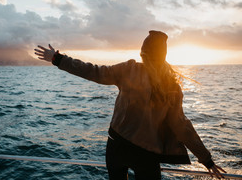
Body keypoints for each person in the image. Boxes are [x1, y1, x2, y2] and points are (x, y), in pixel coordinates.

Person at [34, 30, 226, 180]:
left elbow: (93, 71)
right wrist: (207, 160)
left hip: (117, 147)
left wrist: (58, 59)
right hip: (147, 155)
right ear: (163, 56)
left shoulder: (129, 70)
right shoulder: (172, 86)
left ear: (143, 52)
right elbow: (181, 127)